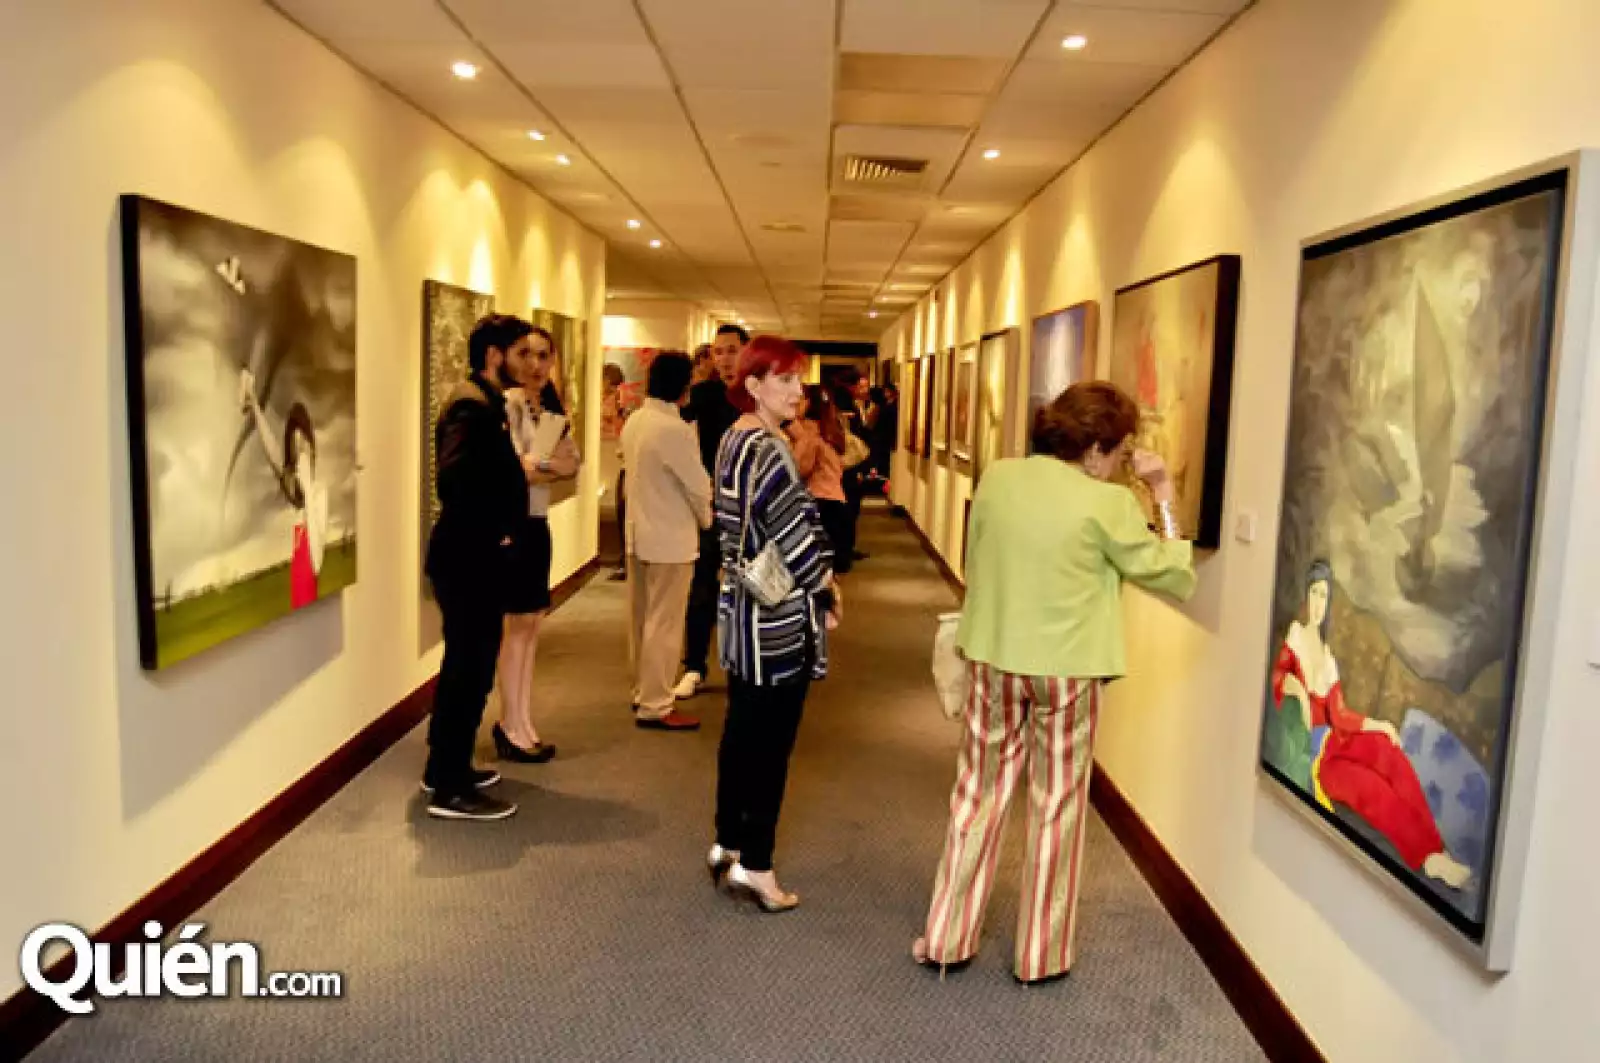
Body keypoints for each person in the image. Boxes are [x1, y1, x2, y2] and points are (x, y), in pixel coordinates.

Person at [912, 381, 1195, 982]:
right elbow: (1172, 574)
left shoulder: (999, 478)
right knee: (1057, 805)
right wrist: (1163, 492)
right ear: (1093, 449)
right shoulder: (1110, 505)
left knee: (977, 797)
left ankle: (945, 937)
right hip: (1067, 673)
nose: (1120, 468)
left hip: (993, 657)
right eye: (1118, 455)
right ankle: (1039, 956)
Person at [708, 336, 841, 913]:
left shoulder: (733, 437)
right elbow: (793, 534)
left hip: (741, 608)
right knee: (770, 745)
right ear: (753, 384)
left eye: (800, 380)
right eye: (784, 380)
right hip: (776, 616)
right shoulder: (766, 448)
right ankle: (756, 866)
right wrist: (825, 586)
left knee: (741, 734)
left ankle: (726, 841)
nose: (797, 391)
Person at [1267, 560, 1471, 888]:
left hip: (1337, 739)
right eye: (1315, 593)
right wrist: (1297, 691)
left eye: (1325, 596)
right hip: (1317, 760)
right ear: (1306, 595)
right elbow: (1279, 683)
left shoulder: (1327, 654)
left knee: (1387, 751)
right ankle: (1425, 856)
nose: (1320, 604)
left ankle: (1436, 851)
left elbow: (1341, 715)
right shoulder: (1295, 637)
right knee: (1372, 789)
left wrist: (1379, 726)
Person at [422, 315, 540, 821]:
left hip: (477, 557)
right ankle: (449, 787)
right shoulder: (470, 407)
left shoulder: (486, 403)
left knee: (469, 668)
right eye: (521, 353)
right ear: (495, 355)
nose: (530, 364)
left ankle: (446, 766)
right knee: (467, 670)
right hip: (468, 558)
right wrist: (498, 529)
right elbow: (455, 481)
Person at [495, 325, 580, 764]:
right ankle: (510, 723)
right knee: (516, 629)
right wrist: (543, 465)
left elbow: (570, 464)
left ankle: (522, 719)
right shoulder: (507, 404)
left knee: (531, 626)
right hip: (512, 522)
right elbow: (517, 469)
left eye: (544, 355)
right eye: (526, 354)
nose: (535, 364)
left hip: (537, 522)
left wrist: (539, 464)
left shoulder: (548, 408)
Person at [620, 351, 712, 731]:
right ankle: (657, 703)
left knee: (641, 618)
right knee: (666, 622)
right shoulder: (674, 430)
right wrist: (708, 520)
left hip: (637, 534)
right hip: (670, 538)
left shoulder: (636, 421)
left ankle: (643, 690)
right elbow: (698, 486)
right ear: (684, 384)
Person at [675, 323, 748, 701]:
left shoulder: (757, 395)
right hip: (712, 506)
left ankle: (744, 663)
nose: (724, 359)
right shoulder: (703, 395)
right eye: (718, 352)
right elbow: (673, 430)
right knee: (702, 587)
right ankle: (694, 666)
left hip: (752, 509)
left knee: (749, 587)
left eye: (732, 350)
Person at [239, 369, 328, 609]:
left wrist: (308, 487)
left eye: (303, 445)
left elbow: (317, 561)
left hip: (309, 595)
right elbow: (273, 452)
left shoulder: (318, 493)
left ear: (312, 447)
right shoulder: (294, 492)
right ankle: (251, 396)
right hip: (296, 596)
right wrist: (256, 405)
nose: (300, 455)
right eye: (295, 447)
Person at [788, 385, 852, 574]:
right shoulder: (831, 429)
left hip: (819, 502)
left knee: (815, 570)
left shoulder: (809, 431)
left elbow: (800, 468)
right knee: (831, 571)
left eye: (800, 399)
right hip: (837, 500)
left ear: (808, 403)